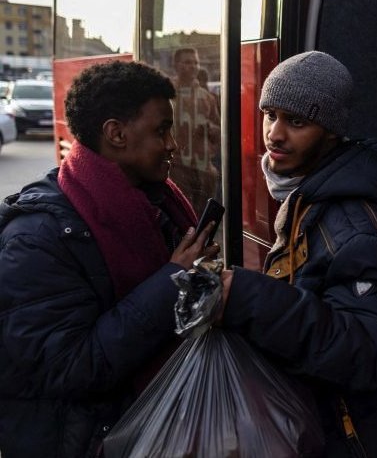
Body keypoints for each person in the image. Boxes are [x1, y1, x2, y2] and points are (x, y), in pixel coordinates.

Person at [219, 51, 377, 457]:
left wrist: (249, 298)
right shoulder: (313, 191)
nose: (275, 134)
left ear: (332, 132)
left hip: (367, 437)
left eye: (297, 121)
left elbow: (370, 349)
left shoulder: (353, 223)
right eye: (270, 115)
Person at [0, 61, 218, 458]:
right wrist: (171, 281)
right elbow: (68, 367)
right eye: (161, 130)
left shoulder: (156, 204)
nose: (173, 144)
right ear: (116, 134)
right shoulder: (36, 238)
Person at [169, 47, 221, 215]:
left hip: (203, 169)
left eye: (195, 62)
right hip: (177, 167)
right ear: (176, 65)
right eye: (187, 62)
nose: (192, 66)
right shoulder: (167, 95)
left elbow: (219, 131)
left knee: (202, 217)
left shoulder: (207, 97)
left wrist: (212, 129)